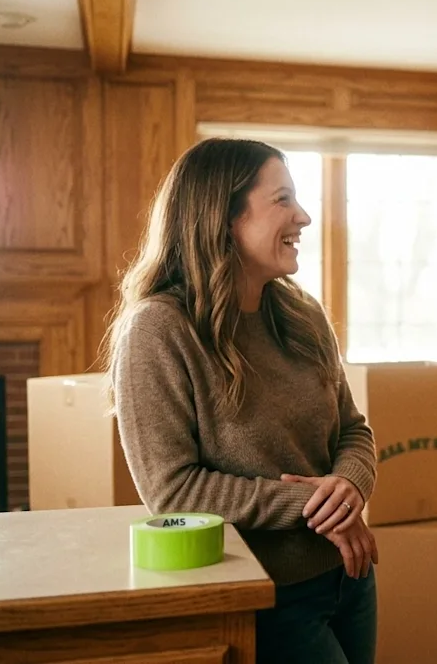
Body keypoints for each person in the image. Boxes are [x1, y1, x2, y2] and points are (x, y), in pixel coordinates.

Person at [103, 138, 379, 664]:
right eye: (283, 199)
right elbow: (172, 491)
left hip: (351, 574)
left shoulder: (303, 314)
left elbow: (353, 429)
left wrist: (349, 485)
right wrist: (313, 506)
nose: (304, 216)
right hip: (266, 594)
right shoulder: (158, 330)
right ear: (224, 218)